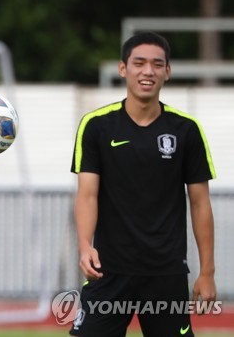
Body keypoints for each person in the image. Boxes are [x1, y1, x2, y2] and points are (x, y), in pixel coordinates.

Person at [69, 31, 216, 337]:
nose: (148, 71)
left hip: (167, 273)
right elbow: (87, 196)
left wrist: (207, 271)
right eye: (139, 63)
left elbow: (200, 203)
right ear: (123, 69)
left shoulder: (187, 130)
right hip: (107, 272)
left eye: (156, 64)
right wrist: (84, 246)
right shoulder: (96, 125)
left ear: (167, 72)